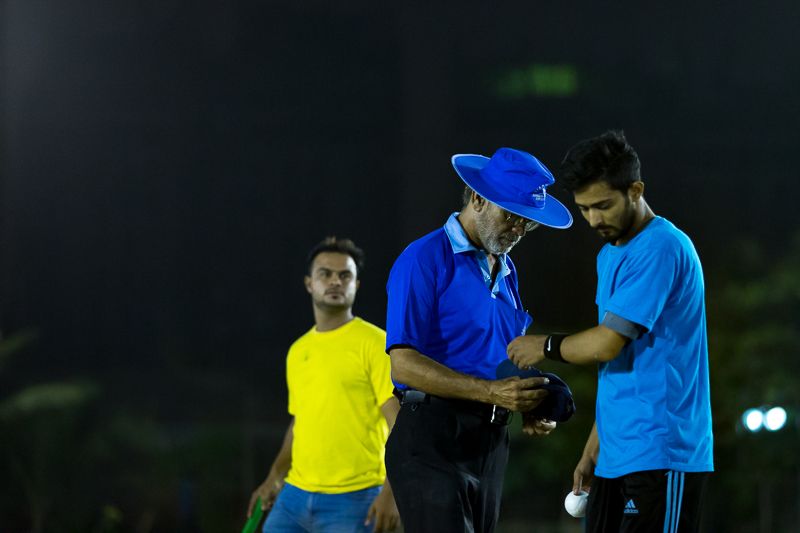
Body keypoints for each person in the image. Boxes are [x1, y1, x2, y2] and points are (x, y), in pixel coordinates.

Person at [507, 131, 713, 532]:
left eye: (603, 205)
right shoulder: (609, 254)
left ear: (635, 191)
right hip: (616, 457)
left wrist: (545, 346)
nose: (594, 220)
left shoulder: (662, 246)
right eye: (584, 208)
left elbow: (607, 344)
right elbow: (619, 367)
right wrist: (594, 447)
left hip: (663, 452)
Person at [384, 147, 574, 533]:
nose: (519, 230)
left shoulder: (508, 272)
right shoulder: (423, 258)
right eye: (512, 216)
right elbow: (402, 363)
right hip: (431, 437)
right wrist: (491, 392)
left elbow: (497, 359)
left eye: (528, 223)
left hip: (490, 443)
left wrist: (528, 400)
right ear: (478, 199)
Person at [247, 237, 400, 533]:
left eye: (345, 275)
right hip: (295, 495)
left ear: (356, 284)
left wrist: (391, 493)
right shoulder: (298, 351)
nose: (335, 281)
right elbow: (299, 422)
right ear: (309, 283)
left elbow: (399, 424)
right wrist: (274, 477)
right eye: (325, 274)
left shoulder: (375, 343)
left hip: (356, 497)